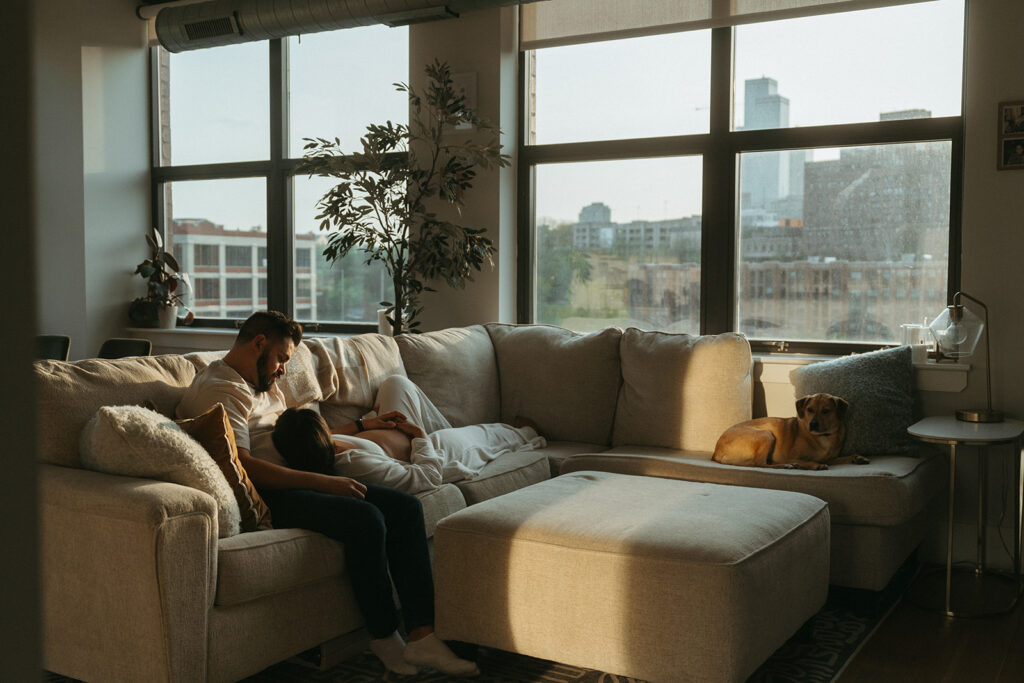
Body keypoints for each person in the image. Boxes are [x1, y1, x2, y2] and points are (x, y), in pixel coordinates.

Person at [175, 311, 479, 677]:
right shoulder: (223, 390)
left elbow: (299, 433)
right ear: (259, 343)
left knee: (407, 508)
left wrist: (364, 425)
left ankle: (422, 636)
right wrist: (324, 483)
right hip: (274, 493)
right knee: (366, 518)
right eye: (282, 358)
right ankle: (384, 638)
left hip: (304, 471)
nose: (284, 370)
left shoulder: (258, 382)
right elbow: (244, 466)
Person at [271, 375, 545, 493]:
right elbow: (426, 477)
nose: (328, 432)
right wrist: (419, 436)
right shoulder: (358, 467)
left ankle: (440, 427)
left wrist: (367, 425)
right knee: (485, 436)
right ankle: (526, 432)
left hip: (393, 430)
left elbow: (328, 434)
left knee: (396, 383)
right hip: (428, 451)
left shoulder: (316, 444)